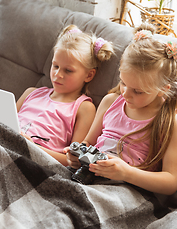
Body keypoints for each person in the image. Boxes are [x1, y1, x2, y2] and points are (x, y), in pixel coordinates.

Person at [65, 23, 177, 195]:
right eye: (123, 83)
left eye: (138, 91)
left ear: (164, 88)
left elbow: (171, 182)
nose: (125, 94)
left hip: (126, 191)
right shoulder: (110, 101)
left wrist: (126, 173)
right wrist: (75, 157)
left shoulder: (170, 122)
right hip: (88, 179)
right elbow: (88, 143)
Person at [17, 25, 114, 166]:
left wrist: (32, 148)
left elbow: (74, 161)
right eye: (55, 66)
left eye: (68, 70)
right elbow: (3, 123)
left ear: (89, 75)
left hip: (35, 160)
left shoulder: (84, 108)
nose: (57, 74)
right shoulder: (31, 93)